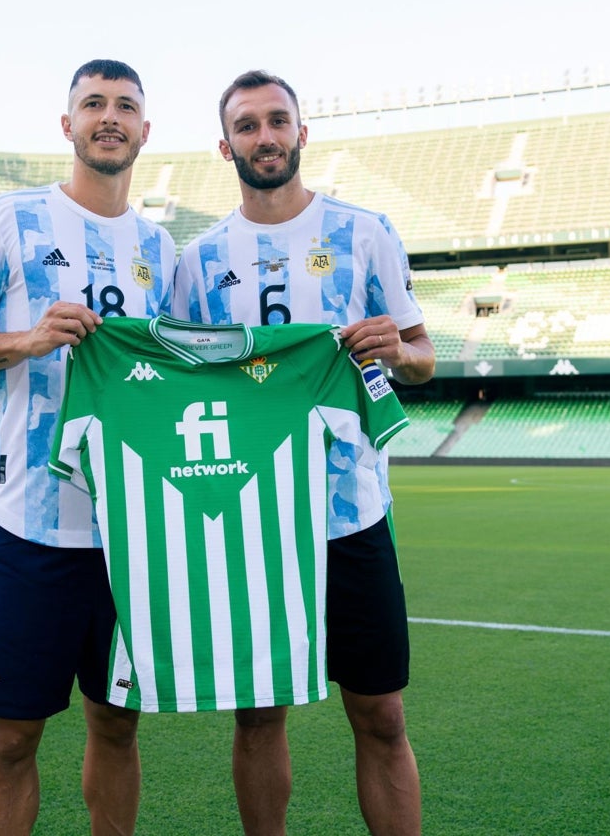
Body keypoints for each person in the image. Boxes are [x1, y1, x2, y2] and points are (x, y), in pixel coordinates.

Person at [172, 70, 436, 836]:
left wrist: (400, 349)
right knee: (257, 717)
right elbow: (186, 382)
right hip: (252, 521)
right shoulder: (199, 260)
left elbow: (421, 356)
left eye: (277, 120)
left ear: (301, 133)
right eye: (248, 125)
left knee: (382, 714)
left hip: (352, 512)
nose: (265, 136)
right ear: (226, 146)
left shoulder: (365, 233)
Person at [0, 59, 174, 836]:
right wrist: (31, 339)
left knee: (118, 727)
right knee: (11, 740)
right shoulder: (12, 217)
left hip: (129, 531)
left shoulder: (163, 250)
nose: (109, 116)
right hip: (25, 527)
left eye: (124, 106)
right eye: (92, 103)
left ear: (144, 130)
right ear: (67, 124)